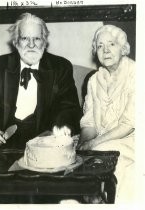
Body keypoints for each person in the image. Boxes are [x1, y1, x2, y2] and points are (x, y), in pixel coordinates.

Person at [0, 13, 81, 149]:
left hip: (44, 142)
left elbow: (68, 107)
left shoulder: (60, 67)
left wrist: (59, 131)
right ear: (15, 42)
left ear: (45, 42)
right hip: (3, 144)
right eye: (25, 38)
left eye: (37, 38)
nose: (31, 45)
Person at [78, 25, 135, 203]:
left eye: (111, 44)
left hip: (132, 141)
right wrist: (82, 146)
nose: (106, 50)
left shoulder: (136, 74)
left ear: (123, 48)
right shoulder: (94, 80)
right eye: (100, 46)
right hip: (102, 142)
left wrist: (93, 144)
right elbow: (89, 123)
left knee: (100, 156)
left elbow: (128, 124)